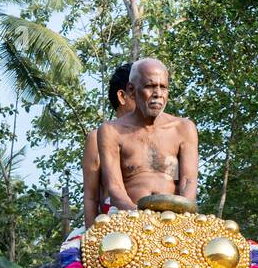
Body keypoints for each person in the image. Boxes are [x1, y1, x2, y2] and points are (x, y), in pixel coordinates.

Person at [97, 58, 198, 209]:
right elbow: (115, 188)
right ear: (131, 90)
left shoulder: (184, 128)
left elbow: (188, 181)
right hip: (128, 216)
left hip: (175, 216)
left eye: (163, 87)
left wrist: (181, 213)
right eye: (150, 86)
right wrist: (137, 216)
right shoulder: (111, 131)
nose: (158, 94)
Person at [82, 63, 135, 224]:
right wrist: (92, 238)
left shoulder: (164, 135)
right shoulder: (97, 138)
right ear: (122, 96)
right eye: (141, 91)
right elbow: (91, 198)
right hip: (114, 226)